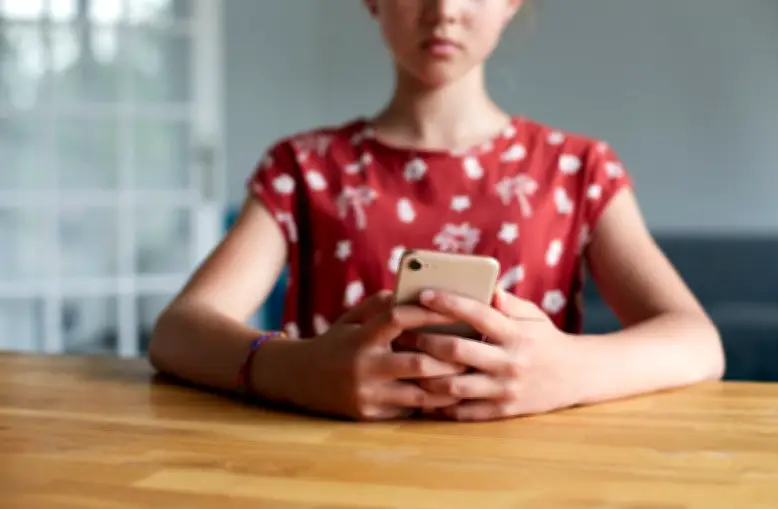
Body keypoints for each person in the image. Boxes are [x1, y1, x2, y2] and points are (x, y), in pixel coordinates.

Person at [149, 0, 725, 421]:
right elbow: (178, 332)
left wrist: (570, 370)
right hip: (331, 477)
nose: (444, 9)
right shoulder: (303, 166)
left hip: (529, 487)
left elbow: (697, 341)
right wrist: (295, 370)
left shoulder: (579, 168)